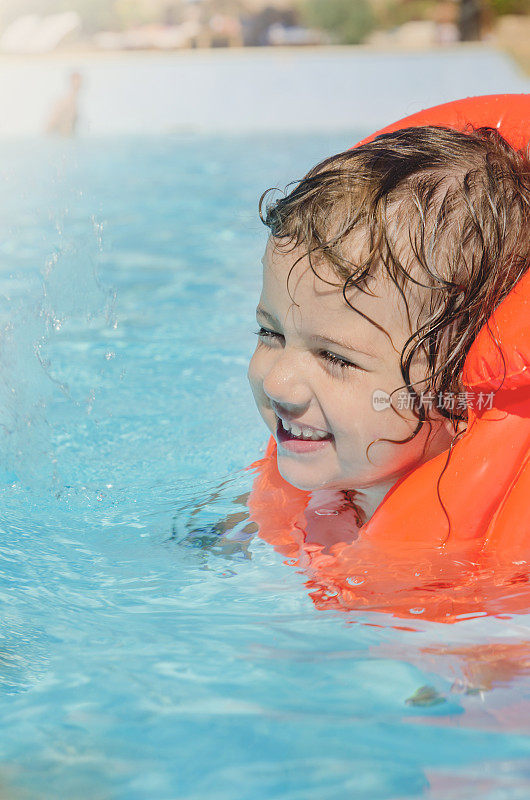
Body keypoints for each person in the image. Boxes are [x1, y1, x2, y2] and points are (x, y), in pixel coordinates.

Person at [247, 124, 530, 543]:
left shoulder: (493, 554)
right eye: (271, 334)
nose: (277, 383)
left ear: (460, 381)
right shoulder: (329, 465)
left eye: (336, 358)